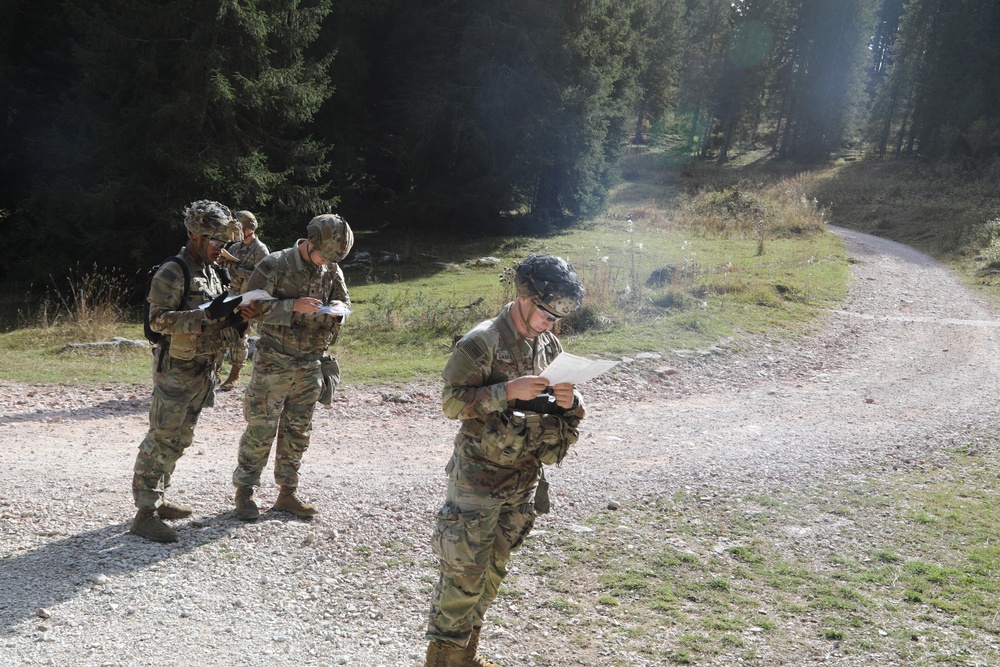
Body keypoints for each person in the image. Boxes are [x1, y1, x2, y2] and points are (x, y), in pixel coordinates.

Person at [423, 254, 587, 667]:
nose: (551, 323)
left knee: (493, 571)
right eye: (546, 313)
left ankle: (466, 656)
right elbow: (450, 403)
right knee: (462, 576)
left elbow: (554, 394)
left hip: (523, 478)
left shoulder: (548, 342)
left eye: (557, 317)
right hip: (477, 480)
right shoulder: (482, 342)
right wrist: (506, 390)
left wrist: (570, 399)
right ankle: (441, 660)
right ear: (525, 297)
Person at [130, 200, 244, 543]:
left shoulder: (210, 270)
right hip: (176, 370)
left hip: (202, 369)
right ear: (196, 236)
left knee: (180, 439)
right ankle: (145, 513)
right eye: (217, 242)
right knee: (161, 437)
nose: (221, 249)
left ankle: (159, 497)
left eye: (224, 244)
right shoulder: (173, 270)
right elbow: (156, 322)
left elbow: (214, 315)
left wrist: (235, 317)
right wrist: (207, 316)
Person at [231, 213, 354, 521]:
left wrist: (339, 310)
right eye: (323, 255)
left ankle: (287, 494)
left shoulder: (331, 268)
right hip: (275, 361)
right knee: (261, 428)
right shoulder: (275, 264)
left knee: (298, 431)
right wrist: (291, 306)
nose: (325, 262)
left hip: (311, 362)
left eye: (330, 258)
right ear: (311, 242)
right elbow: (247, 308)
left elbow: (343, 300)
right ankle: (244, 493)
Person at [218, 210, 270, 391]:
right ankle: (215, 372)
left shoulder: (260, 250)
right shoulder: (235, 248)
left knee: (240, 335)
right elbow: (225, 268)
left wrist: (240, 271)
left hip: (248, 299)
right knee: (222, 332)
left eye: (240, 228)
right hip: (231, 295)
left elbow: (263, 278)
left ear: (249, 229)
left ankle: (235, 374)